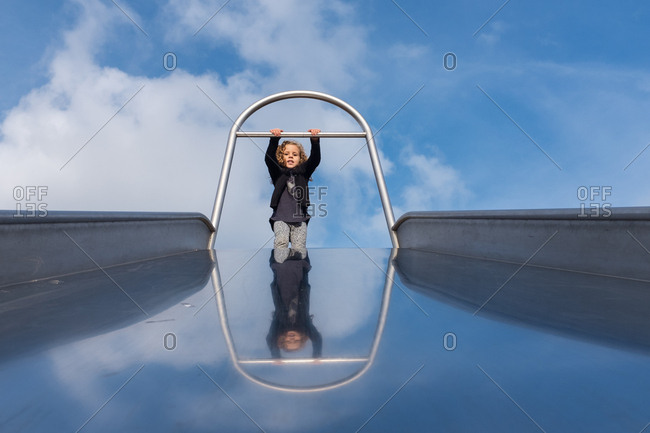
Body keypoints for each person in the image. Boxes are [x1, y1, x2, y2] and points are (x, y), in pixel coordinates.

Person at [265, 128, 321, 250]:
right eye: (286, 154)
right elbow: (269, 159)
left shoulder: (303, 173)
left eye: (294, 155)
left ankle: (297, 268)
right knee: (281, 242)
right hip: (280, 218)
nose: (290, 156)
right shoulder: (278, 173)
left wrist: (315, 141)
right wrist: (274, 140)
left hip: (300, 219)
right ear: (281, 157)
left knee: (299, 247)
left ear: (300, 158)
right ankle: (280, 266)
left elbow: (314, 160)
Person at [266, 248, 322, 360]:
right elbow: (316, 338)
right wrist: (316, 355)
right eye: (296, 340)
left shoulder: (279, 324)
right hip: (299, 267)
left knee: (282, 238)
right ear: (302, 337)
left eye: (288, 341)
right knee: (298, 236)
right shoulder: (305, 324)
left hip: (281, 268)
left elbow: (270, 339)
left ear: (281, 338)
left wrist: (276, 356)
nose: (292, 339)